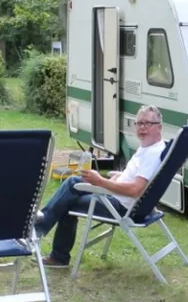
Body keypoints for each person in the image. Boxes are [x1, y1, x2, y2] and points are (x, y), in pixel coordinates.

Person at [34, 104, 167, 267]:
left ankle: (39, 233)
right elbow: (138, 181)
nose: (142, 128)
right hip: (121, 199)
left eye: (147, 123)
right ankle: (50, 245)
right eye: (139, 123)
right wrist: (120, 177)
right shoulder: (152, 147)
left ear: (159, 127)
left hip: (121, 207)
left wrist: (100, 181)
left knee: (68, 197)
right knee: (72, 185)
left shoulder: (152, 154)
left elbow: (135, 190)